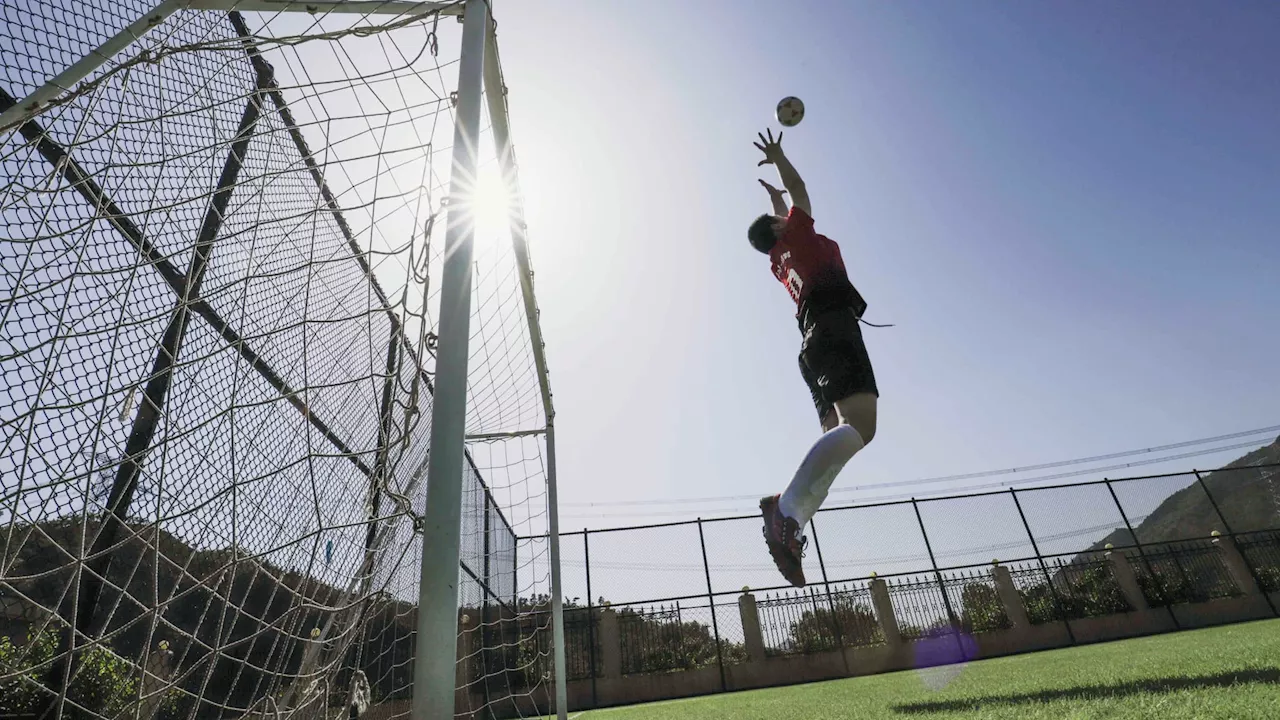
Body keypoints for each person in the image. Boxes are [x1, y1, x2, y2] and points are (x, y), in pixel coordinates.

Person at [749, 129, 879, 588]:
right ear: (781, 227)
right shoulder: (796, 237)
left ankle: (791, 523)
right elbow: (801, 194)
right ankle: (783, 510)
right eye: (780, 217)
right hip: (833, 328)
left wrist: (777, 203)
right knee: (862, 428)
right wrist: (780, 158)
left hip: (813, 341)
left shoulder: (778, 258)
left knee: (834, 446)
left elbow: (788, 213)